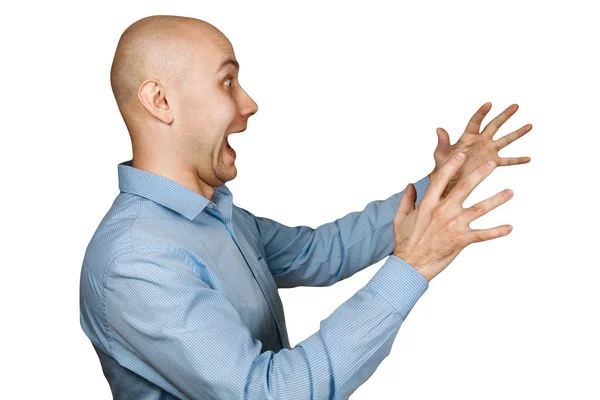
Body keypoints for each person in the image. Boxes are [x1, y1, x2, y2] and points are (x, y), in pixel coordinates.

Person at [79, 14, 532, 399]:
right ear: (160, 101)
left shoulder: (215, 214)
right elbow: (271, 393)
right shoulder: (136, 261)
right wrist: (412, 267)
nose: (249, 104)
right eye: (227, 82)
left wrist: (443, 179)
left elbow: (319, 251)